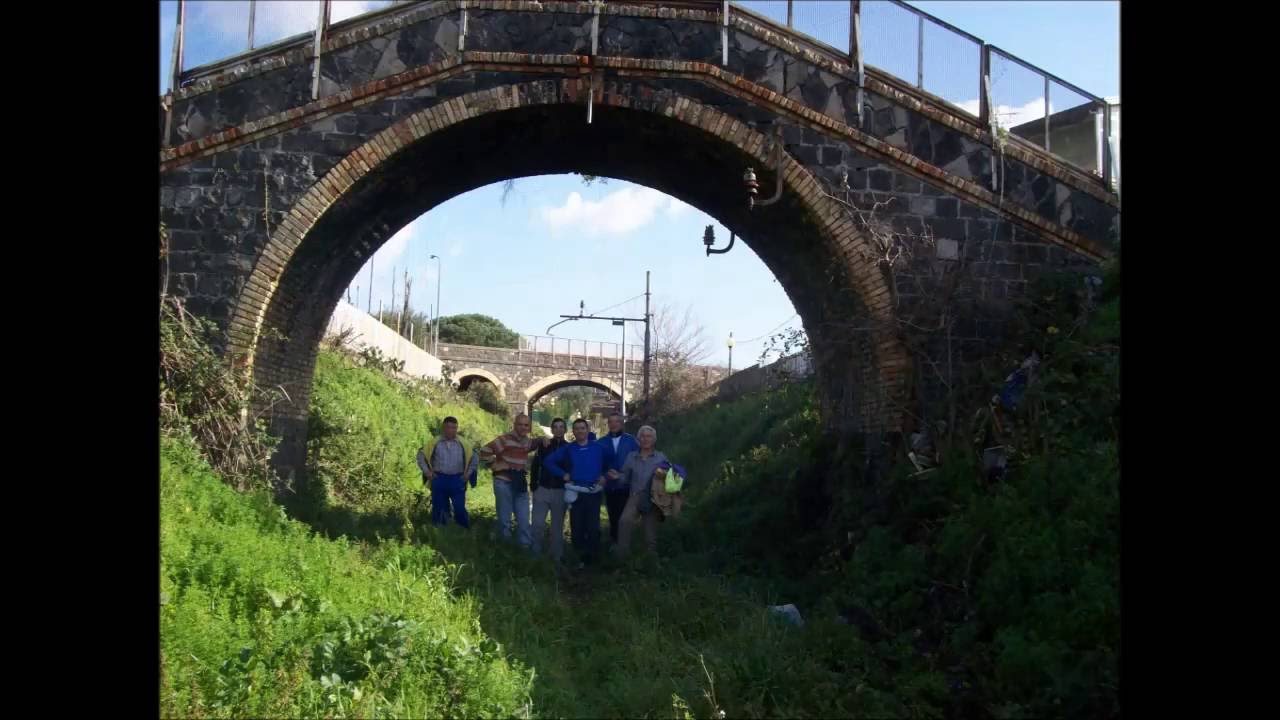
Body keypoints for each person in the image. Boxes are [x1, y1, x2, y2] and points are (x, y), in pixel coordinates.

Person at [542, 418, 606, 569]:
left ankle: (593, 559)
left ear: (587, 429)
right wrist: (562, 474)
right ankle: (579, 558)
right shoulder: (569, 449)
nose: (579, 431)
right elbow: (548, 461)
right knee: (577, 527)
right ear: (573, 431)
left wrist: (605, 475)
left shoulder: (598, 447)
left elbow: (612, 462)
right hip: (576, 492)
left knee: (593, 527)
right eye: (576, 429)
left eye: (582, 428)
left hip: (593, 492)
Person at [478, 414, 536, 549]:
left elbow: (536, 443)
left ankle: (525, 550)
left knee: (524, 519)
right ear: (514, 425)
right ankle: (506, 551)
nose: (523, 427)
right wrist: (496, 464)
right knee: (505, 520)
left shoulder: (527, 442)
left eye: (526, 425)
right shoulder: (504, 439)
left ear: (529, 427)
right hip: (503, 483)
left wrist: (543, 439)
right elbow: (483, 451)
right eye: (520, 424)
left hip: (520, 483)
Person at [417, 416, 478, 528]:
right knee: (439, 507)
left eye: (454, 427)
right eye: (448, 427)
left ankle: (463, 530)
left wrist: (468, 473)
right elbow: (421, 455)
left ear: (457, 428)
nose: (451, 430)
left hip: (458, 479)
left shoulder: (463, 444)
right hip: (439, 479)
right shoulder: (435, 442)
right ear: (443, 428)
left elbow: (474, 458)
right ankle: (441, 531)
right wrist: (427, 472)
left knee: (459, 507)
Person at [616, 425, 668, 557]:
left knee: (650, 534)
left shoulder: (661, 458)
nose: (645, 439)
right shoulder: (631, 457)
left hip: (652, 498)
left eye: (649, 436)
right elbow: (625, 478)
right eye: (643, 436)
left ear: (654, 439)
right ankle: (623, 557)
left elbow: (668, 479)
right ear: (638, 439)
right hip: (635, 496)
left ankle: (650, 561)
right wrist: (618, 477)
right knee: (624, 522)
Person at [528, 417, 571, 563]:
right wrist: (533, 484)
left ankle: (557, 557)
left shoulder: (569, 448)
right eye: (556, 427)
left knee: (557, 528)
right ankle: (535, 554)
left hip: (560, 491)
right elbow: (535, 465)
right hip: (542, 489)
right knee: (537, 523)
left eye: (561, 427)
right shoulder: (544, 446)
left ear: (565, 430)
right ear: (552, 430)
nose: (558, 429)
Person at [599, 412, 640, 547]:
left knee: (625, 517)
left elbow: (639, 461)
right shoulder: (601, 442)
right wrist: (605, 475)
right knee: (613, 515)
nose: (614, 424)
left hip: (627, 486)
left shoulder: (631, 441)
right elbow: (598, 464)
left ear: (622, 423)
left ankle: (625, 544)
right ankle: (614, 543)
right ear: (608, 424)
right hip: (610, 486)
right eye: (611, 421)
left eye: (617, 421)